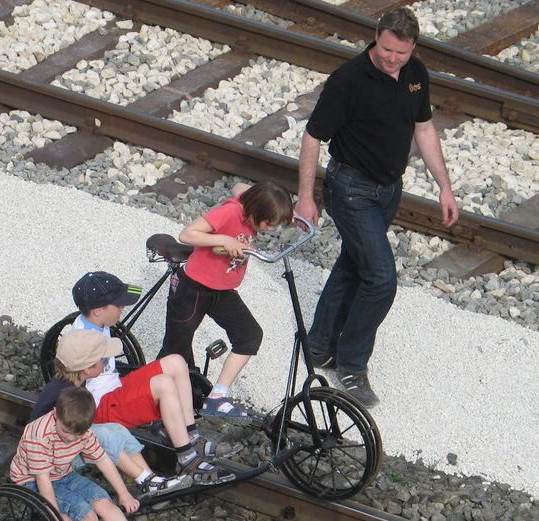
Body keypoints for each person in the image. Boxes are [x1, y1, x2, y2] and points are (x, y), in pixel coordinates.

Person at [295, 8, 459, 408]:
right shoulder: (348, 80)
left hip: (388, 190)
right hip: (350, 188)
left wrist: (445, 186)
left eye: (400, 53)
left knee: (354, 265)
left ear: (413, 48)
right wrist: (305, 197)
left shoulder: (416, 73)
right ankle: (351, 365)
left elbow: (423, 127)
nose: (392, 59)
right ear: (376, 37)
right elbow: (313, 137)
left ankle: (319, 345)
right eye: (386, 49)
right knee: (382, 278)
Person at [70, 276, 236, 485]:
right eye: (119, 304)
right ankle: (186, 458)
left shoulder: (94, 321)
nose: (122, 308)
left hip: (113, 386)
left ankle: (191, 435)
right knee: (164, 384)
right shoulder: (83, 340)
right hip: (102, 406)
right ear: (98, 310)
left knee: (176, 362)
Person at [157, 181, 294, 420]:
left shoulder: (249, 202)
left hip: (223, 291)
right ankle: (157, 402)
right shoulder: (230, 212)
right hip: (194, 289)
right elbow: (187, 234)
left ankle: (217, 397)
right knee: (175, 351)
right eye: (269, 223)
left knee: (250, 335)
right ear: (256, 210)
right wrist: (224, 240)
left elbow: (241, 186)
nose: (270, 229)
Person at [9, 385, 161, 521]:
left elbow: (104, 461)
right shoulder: (38, 436)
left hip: (63, 473)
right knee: (86, 513)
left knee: (104, 501)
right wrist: (55, 516)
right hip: (32, 481)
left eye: (76, 435)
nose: (71, 439)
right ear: (55, 415)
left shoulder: (83, 431)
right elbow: (43, 481)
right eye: (65, 432)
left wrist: (123, 492)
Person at [30, 332, 192, 499]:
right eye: (102, 359)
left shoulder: (73, 383)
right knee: (103, 434)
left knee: (116, 429)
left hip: (65, 445)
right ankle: (145, 480)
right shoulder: (62, 394)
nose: (104, 362)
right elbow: (41, 436)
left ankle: (152, 482)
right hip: (52, 459)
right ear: (87, 369)